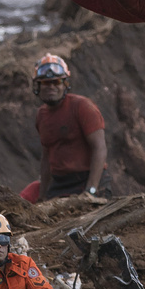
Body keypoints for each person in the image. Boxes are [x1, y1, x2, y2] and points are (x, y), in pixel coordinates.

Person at [33, 53, 111, 200]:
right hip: (60, 184)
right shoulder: (41, 115)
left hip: (87, 179)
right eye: (45, 83)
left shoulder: (82, 107)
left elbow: (99, 148)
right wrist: (42, 196)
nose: (51, 87)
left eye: (56, 82)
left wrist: (91, 190)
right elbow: (46, 157)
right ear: (37, 86)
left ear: (65, 84)